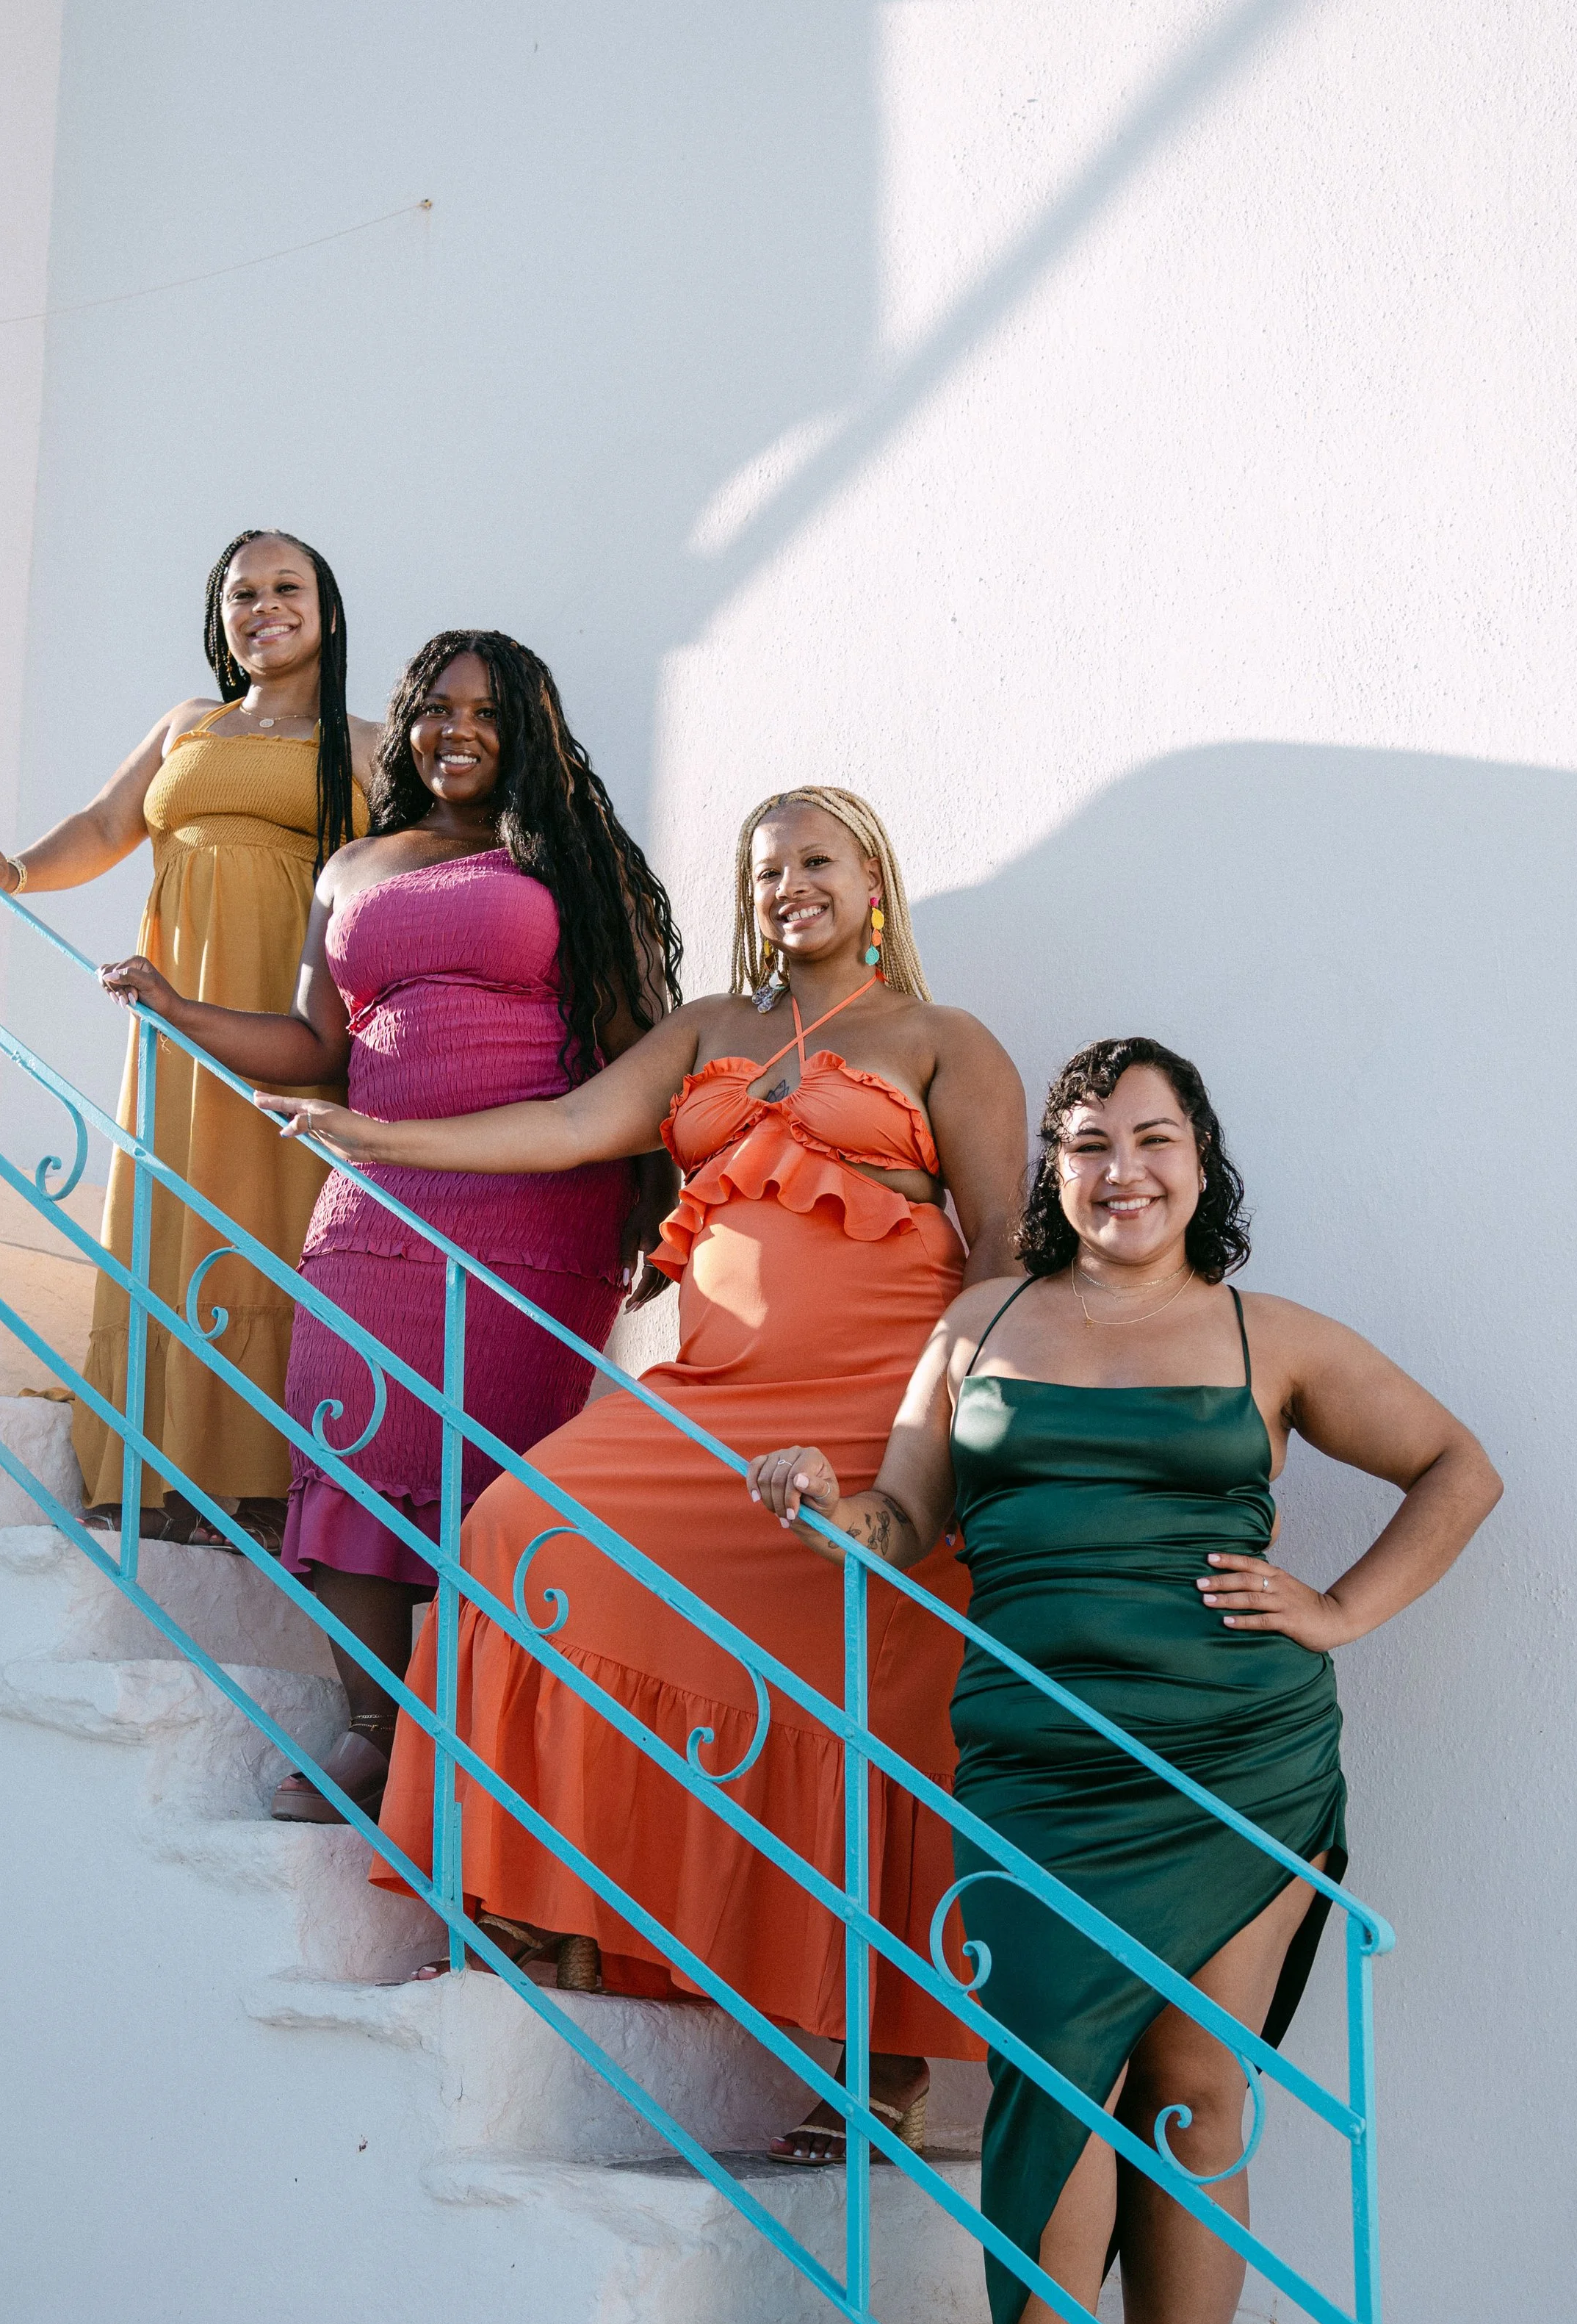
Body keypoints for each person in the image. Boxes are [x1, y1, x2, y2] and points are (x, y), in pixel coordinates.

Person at [747, 1034, 1501, 2324]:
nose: (1119, 1170)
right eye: (1087, 1143)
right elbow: (901, 1521)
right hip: (1033, 1772)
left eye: (1151, 1140)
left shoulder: (1263, 1336)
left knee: (1193, 2088)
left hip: (1241, 1763)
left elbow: (1455, 1467)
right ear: (1055, 1171)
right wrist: (832, 1502)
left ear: (1199, 1162)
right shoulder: (977, 1327)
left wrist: (1339, 1610)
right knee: (1043, 2097)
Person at [259, 787, 1030, 2135]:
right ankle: (547, 1901)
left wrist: (958, 1432)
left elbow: (1007, 1247)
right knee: (518, 1537)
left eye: (817, 861)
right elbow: (564, 1129)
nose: (792, 884)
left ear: (875, 879)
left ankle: (879, 2055)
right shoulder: (709, 1032)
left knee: (859, 1684)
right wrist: (380, 1135)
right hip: (712, 1391)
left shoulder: (943, 1040)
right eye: (768, 867)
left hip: (872, 1406)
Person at [105, 630, 681, 1824]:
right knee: (342, 1424)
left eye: (485, 712)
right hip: (375, 1191)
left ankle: (477, 1745)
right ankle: (374, 1731)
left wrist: (651, 1200)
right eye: (434, 709)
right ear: (406, 725)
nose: (455, 731)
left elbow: (633, 1042)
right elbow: (318, 1047)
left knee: (490, 1464)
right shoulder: (354, 864)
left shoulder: (567, 861)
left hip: (537, 1204)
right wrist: (180, 1006)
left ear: (526, 731)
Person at [0, 528, 378, 1550]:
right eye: (241, 593)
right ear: (217, 615)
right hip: (176, 1009)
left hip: (291, 1007)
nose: (263, 606)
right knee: (170, 1208)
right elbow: (104, 826)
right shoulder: (189, 724)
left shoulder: (364, 743)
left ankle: (266, 1481)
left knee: (275, 1214)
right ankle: (156, 1472)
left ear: (326, 610)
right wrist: (14, 867)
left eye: (287, 588)